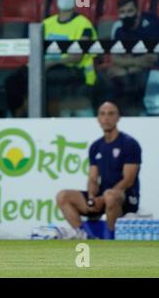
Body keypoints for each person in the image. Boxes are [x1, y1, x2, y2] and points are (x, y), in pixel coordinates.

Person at [56, 101, 142, 239]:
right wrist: (91, 197)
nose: (106, 118)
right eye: (102, 114)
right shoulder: (96, 146)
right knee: (63, 196)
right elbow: (93, 178)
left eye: (110, 114)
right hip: (102, 197)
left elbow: (128, 180)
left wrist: (103, 198)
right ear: (98, 119)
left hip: (124, 199)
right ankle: (85, 236)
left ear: (118, 118)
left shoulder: (129, 144)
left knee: (110, 195)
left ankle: (112, 238)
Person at [43, 0, 98, 117]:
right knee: (14, 80)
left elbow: (77, 57)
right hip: (48, 69)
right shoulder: (45, 24)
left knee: (53, 81)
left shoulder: (83, 24)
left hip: (74, 70)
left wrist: (52, 63)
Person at [107, 0, 159, 116]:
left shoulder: (152, 24)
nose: (126, 15)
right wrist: (135, 63)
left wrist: (128, 68)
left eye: (130, 11)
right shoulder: (118, 28)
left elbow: (152, 59)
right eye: (122, 12)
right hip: (134, 68)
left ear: (138, 11)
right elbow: (115, 58)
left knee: (131, 78)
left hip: (153, 70)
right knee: (110, 79)